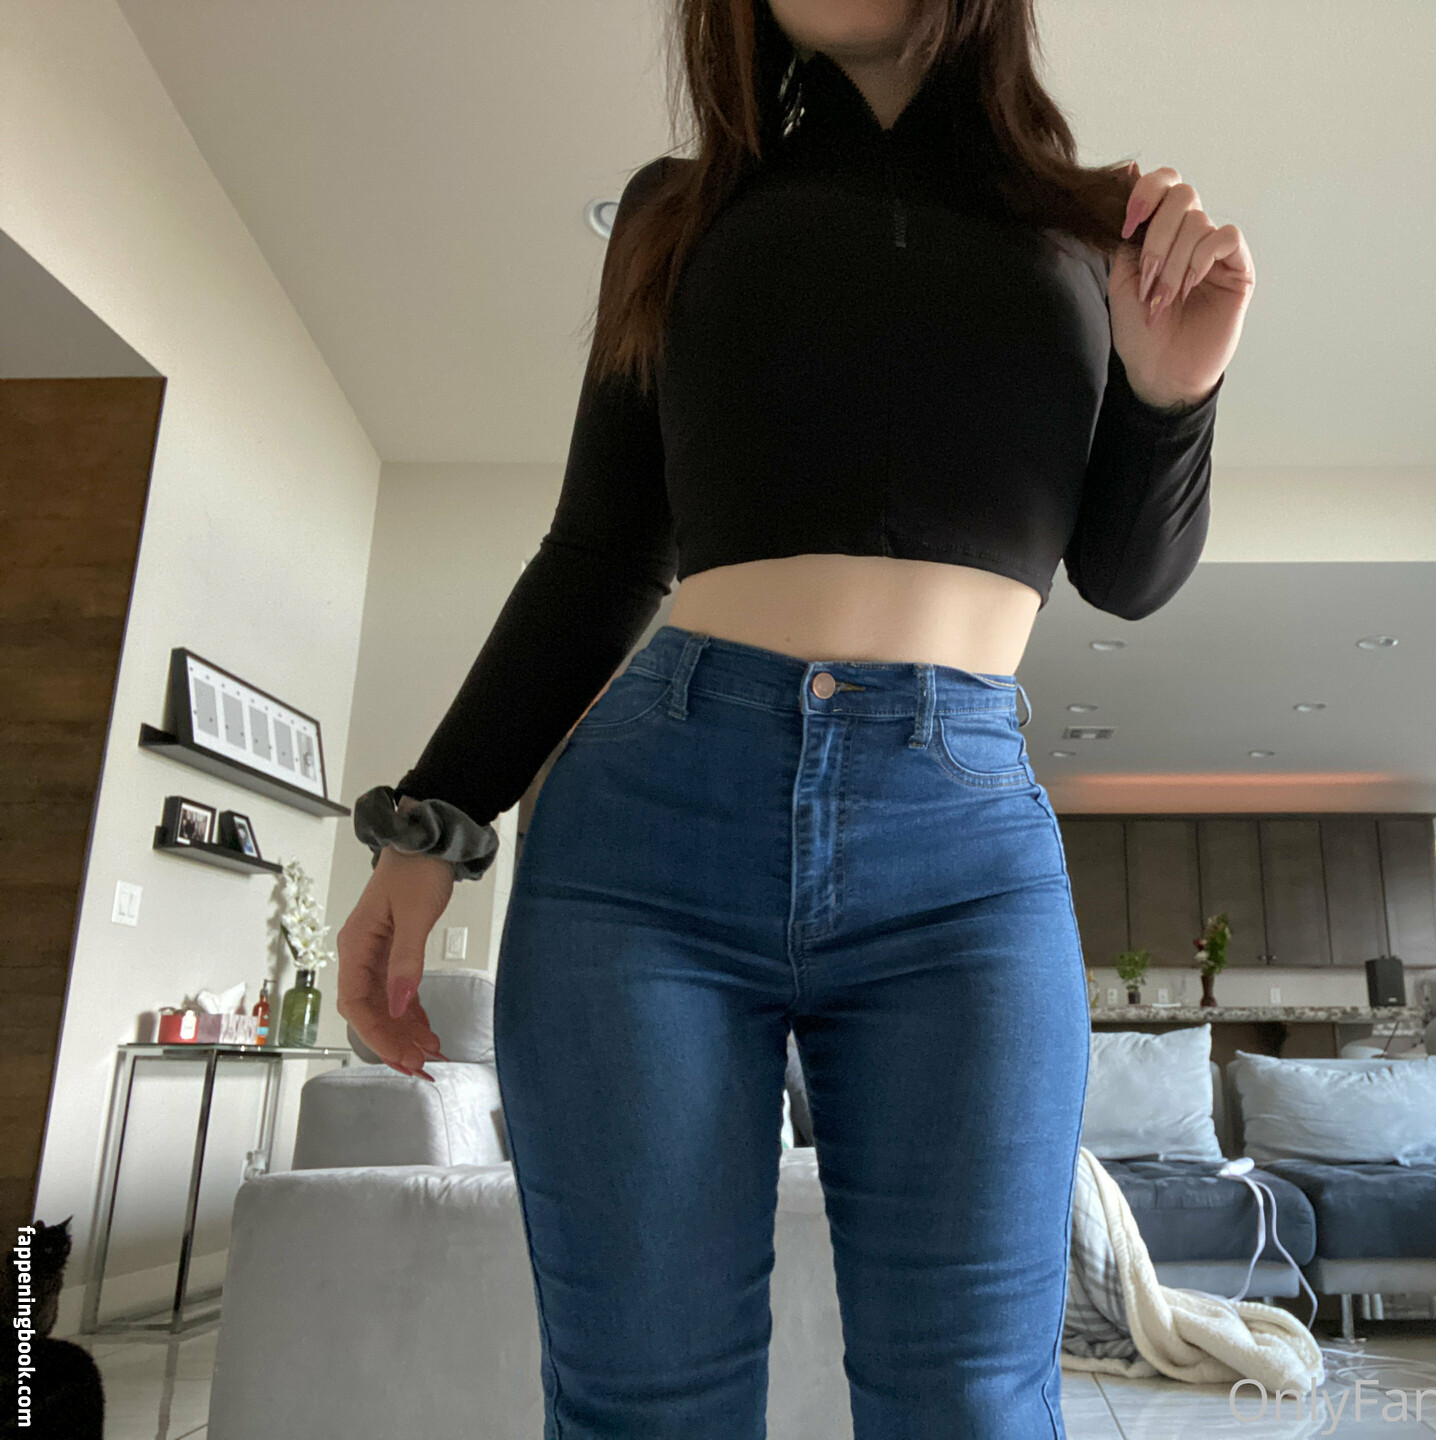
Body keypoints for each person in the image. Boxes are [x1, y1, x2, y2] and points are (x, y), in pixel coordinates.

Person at [336, 0, 1252, 1434]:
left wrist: (1173, 394)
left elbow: (1129, 575)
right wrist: (430, 825)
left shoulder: (1099, 225)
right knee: (644, 1407)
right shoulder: (678, 210)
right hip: (647, 837)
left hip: (960, 854)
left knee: (975, 1403)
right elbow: (600, 555)